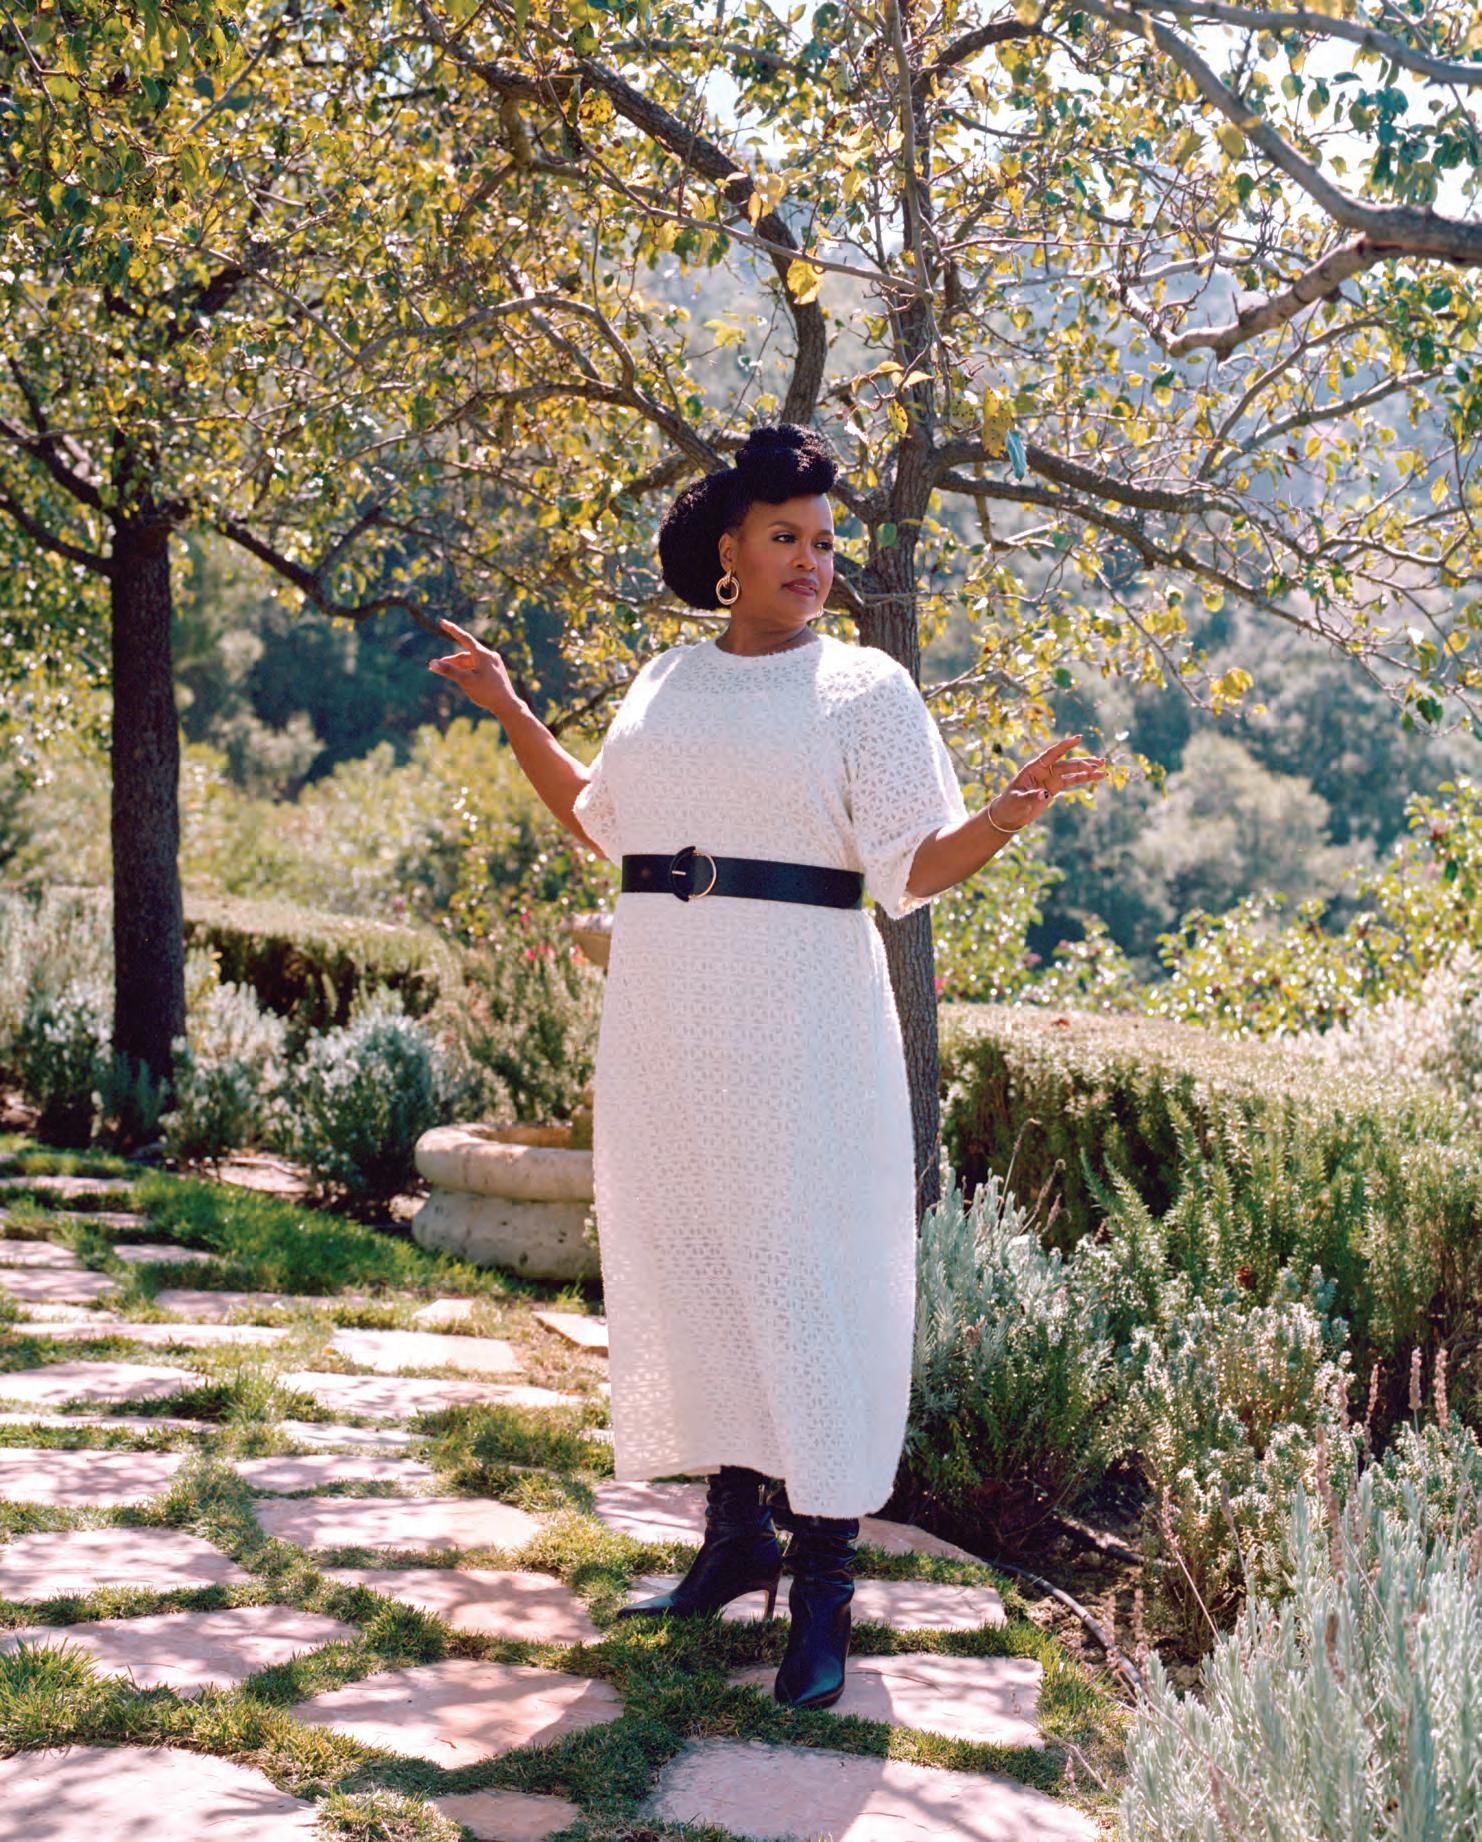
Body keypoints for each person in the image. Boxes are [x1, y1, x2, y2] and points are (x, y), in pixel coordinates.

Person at [427, 422, 1108, 1711]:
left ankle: (826, 1584)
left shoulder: (866, 690)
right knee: (696, 1260)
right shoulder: (666, 679)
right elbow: (600, 822)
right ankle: (734, 1537)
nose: (812, 560)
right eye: (786, 537)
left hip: (804, 1021)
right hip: (667, 1016)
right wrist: (512, 707)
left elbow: (909, 870)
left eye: (826, 540)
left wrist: (1005, 814)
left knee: (805, 1278)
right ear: (728, 552)